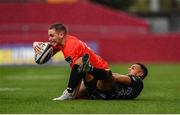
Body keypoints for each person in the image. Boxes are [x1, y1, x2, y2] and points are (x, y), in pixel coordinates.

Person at [33, 23, 114, 100]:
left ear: (61, 35)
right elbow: (49, 49)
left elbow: (78, 71)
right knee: (79, 95)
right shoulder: (63, 41)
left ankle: (94, 94)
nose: (49, 38)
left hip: (99, 73)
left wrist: (70, 92)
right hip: (90, 71)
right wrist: (35, 43)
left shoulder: (71, 47)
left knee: (81, 94)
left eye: (51, 35)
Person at [74, 63, 148, 99]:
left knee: (108, 73)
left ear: (140, 73)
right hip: (100, 96)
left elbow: (117, 77)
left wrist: (106, 74)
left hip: (103, 88)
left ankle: (91, 69)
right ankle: (89, 69)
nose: (129, 69)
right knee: (74, 96)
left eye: (133, 68)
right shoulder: (136, 91)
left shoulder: (137, 80)